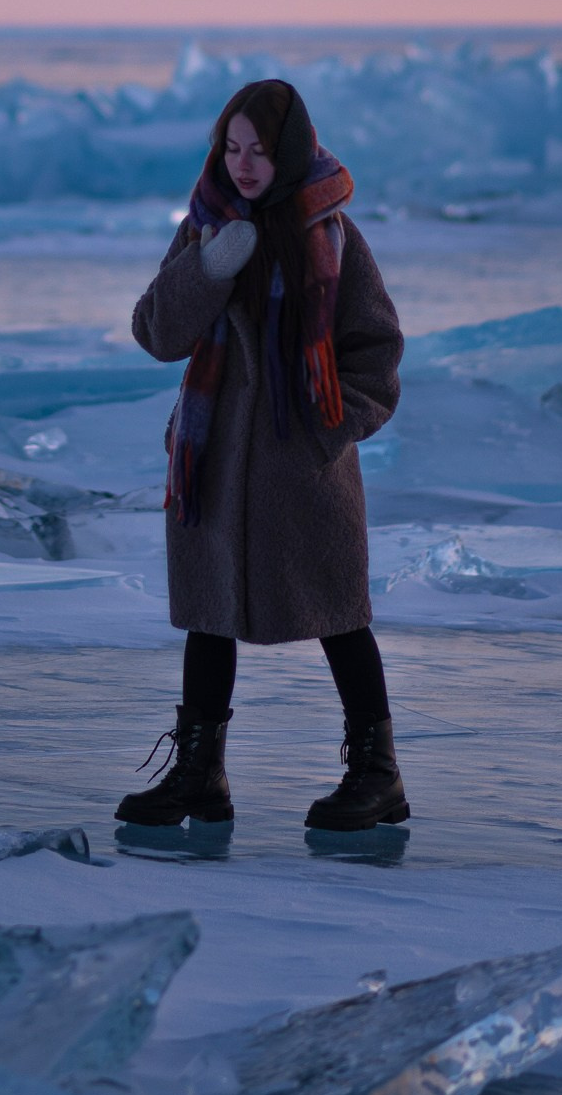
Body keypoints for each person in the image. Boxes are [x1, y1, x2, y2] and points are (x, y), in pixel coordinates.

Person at [118, 78, 407, 833]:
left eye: (259, 149)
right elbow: (156, 334)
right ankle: (197, 775)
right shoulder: (205, 229)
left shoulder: (332, 236)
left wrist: (322, 435)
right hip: (210, 464)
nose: (243, 164)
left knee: (339, 618)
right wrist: (209, 269)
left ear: (290, 151)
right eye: (232, 147)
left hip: (301, 474)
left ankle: (376, 776)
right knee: (208, 619)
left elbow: (375, 355)